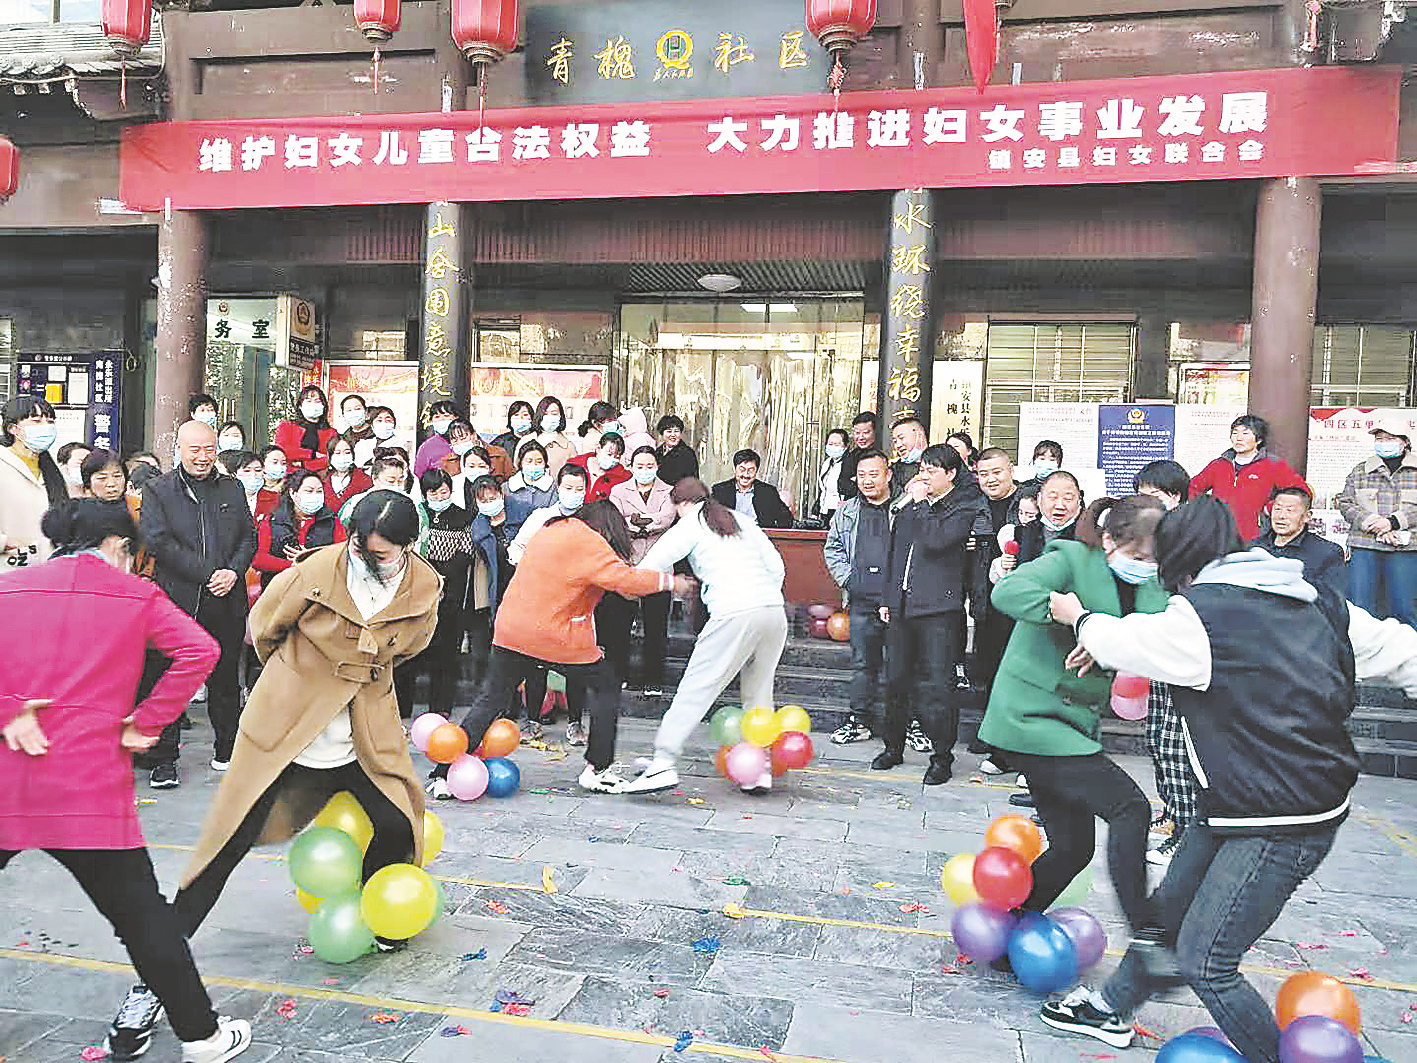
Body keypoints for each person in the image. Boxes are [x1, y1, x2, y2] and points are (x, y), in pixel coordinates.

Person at [1042, 495, 1417, 1062]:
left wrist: (1080, 618)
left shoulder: (1200, 614)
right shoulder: (1316, 598)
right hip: (1241, 800)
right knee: (1168, 912)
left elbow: (1125, 639)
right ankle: (1112, 1007)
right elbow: (1401, 650)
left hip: (1280, 820)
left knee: (1206, 960)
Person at [103, 489, 443, 1063]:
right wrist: (298, 680)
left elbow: (411, 648)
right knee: (220, 852)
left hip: (363, 732)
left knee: (398, 821)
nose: (369, 560)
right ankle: (150, 986)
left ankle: (377, 916)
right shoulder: (315, 570)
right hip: (288, 729)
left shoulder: (423, 587)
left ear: (408, 547)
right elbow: (263, 627)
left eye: (383, 554)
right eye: (362, 548)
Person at [0, 500, 253, 1063]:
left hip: (8, 778)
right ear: (118, 545)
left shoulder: (10, 587)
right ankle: (202, 1037)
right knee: (143, 921)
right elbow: (201, 650)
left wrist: (8, 710)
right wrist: (147, 722)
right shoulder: (136, 595)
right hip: (86, 786)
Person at [978, 494, 1170, 960]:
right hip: (1031, 716)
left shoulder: (1153, 584)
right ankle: (1147, 935)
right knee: (1130, 808)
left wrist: (1097, 633)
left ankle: (1006, 936)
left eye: (1152, 558)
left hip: (1074, 724)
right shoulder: (1070, 558)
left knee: (1073, 847)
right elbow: (1008, 592)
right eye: (1137, 554)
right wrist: (1063, 613)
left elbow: (1156, 634)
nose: (1144, 565)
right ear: (1109, 540)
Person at [433, 500, 678, 796]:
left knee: (491, 699)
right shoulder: (589, 540)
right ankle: (598, 768)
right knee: (605, 685)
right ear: (608, 529)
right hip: (554, 635)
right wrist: (671, 582)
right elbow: (626, 581)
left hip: (512, 629)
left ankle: (445, 773)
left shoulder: (549, 529)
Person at [623, 478, 788, 795]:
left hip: (733, 612)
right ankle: (759, 768)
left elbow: (649, 568)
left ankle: (663, 762)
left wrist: (630, 584)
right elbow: (777, 566)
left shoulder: (689, 525)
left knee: (695, 689)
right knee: (759, 694)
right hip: (772, 610)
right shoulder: (739, 519)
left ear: (682, 504)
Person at [137, 420, 258, 787]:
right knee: (169, 680)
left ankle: (227, 750)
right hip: (179, 600)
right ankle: (164, 760)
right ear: (179, 449)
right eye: (195, 449)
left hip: (227, 598)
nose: (203, 457)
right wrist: (208, 574)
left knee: (226, 680)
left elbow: (248, 537)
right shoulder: (158, 490)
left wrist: (233, 572)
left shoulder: (232, 487)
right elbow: (159, 542)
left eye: (209, 449)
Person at [872, 445, 987, 784]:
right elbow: (895, 554)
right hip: (902, 607)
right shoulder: (910, 509)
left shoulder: (962, 508)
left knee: (939, 686)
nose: (924, 476)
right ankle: (893, 747)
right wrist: (888, 598)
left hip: (939, 611)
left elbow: (936, 541)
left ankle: (941, 757)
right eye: (922, 469)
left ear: (950, 474)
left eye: (932, 470)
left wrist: (922, 503)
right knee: (895, 680)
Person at [1130, 459, 1196, 867]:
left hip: (1182, 651)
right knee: (1158, 736)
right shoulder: (1150, 535)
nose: (1145, 502)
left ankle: (1187, 835)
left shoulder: (1188, 537)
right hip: (1155, 648)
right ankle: (1173, 812)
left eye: (1153, 495)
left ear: (1174, 497)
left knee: (1175, 744)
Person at [824, 449, 894, 745]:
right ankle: (860, 721)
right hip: (862, 601)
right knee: (863, 664)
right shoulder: (847, 511)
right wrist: (848, 579)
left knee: (902, 665)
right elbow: (833, 548)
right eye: (862, 475)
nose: (867, 481)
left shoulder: (904, 508)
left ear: (888, 475)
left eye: (874, 474)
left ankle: (906, 723)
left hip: (898, 602)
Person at [396, 469, 477, 719]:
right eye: (434, 492)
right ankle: (402, 706)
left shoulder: (462, 516)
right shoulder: (416, 514)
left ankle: (441, 707)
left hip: (449, 592)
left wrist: (442, 577)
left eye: (444, 491)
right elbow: (407, 549)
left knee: (446, 653)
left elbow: (466, 552)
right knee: (410, 650)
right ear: (424, 493)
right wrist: (427, 577)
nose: (440, 496)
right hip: (417, 590)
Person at [1334, 418, 1417, 627]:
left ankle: (1407, 647)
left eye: (1390, 438)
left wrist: (1393, 522)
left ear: (1405, 442)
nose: (1384, 443)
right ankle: (1358, 648)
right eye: (1380, 439)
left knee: (1405, 607)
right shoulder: (1361, 470)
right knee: (1359, 607)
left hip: (1406, 547)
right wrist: (1373, 522)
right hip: (1365, 545)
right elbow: (1345, 502)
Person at [609, 446, 677, 695]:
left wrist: (637, 522)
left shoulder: (669, 491)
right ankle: (619, 675)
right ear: (631, 466)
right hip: (627, 563)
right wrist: (647, 522)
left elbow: (666, 518)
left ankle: (653, 679)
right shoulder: (618, 491)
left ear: (657, 466)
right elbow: (616, 521)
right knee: (619, 625)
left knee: (656, 626)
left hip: (658, 567)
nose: (645, 470)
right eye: (640, 466)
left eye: (649, 466)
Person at [1189, 414, 1308, 541]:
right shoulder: (1218, 464)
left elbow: (1301, 491)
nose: (1239, 438)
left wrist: (1272, 508)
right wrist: (1204, 511)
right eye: (1235, 433)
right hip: (1218, 535)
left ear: (1259, 439)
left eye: (1245, 433)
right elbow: (1194, 487)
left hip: (1255, 537)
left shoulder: (1273, 465)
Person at [1, 395, 67, 566]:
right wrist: (6, 542)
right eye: (36, 421)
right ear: (13, 429)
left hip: (46, 568)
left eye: (50, 421)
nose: (46, 427)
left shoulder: (51, 471)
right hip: (9, 567)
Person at [1257, 485, 1345, 599]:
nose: (1281, 516)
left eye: (1289, 510)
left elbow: (1331, 601)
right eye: (1277, 509)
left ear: (1307, 516)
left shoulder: (1327, 553)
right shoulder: (1255, 548)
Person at [509, 463, 590, 564]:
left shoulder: (592, 519)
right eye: (568, 488)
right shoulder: (541, 517)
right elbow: (517, 547)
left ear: (585, 491)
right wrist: (530, 565)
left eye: (579, 489)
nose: (573, 493)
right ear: (558, 488)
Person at [711, 449, 793, 529]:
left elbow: (786, 520)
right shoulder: (720, 491)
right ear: (734, 469)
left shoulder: (768, 492)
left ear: (756, 471)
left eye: (750, 470)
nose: (746, 475)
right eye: (742, 470)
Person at [1017, 470, 1083, 564]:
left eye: (1068, 499)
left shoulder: (1090, 535)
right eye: (1053, 497)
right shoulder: (1025, 531)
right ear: (1039, 499)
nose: (1060, 506)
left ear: (1079, 501)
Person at [273, 385, 337, 475]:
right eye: (308, 401)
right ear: (300, 406)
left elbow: (330, 459)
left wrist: (302, 464)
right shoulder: (287, 425)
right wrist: (312, 454)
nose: (313, 404)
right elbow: (282, 450)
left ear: (324, 405)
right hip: (290, 476)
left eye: (317, 401)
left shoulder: (331, 432)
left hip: (319, 478)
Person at [504, 440, 555, 540]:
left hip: (542, 539)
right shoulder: (506, 488)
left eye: (539, 462)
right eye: (529, 461)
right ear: (521, 463)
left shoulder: (553, 488)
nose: (534, 465)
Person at [567, 431, 630, 502]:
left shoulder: (623, 476)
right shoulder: (576, 464)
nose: (612, 459)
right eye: (609, 454)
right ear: (598, 449)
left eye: (617, 457)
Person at [323, 435, 373, 515]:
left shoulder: (364, 480)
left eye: (347, 452)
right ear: (330, 456)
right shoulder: (322, 480)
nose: (342, 457)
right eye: (337, 453)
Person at [413, 400, 460, 479]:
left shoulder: (466, 441)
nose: (442, 420)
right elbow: (419, 475)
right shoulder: (426, 447)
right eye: (437, 417)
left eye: (446, 416)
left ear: (456, 418)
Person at [838, 412, 879, 502]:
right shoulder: (851, 456)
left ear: (875, 432)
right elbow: (842, 485)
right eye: (857, 433)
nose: (861, 437)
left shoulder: (881, 456)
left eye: (866, 433)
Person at [535, 395, 575, 479]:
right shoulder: (526, 441)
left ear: (560, 416)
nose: (549, 417)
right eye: (545, 414)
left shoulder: (568, 446)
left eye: (554, 414)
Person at [814, 428, 848, 524]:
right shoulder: (827, 463)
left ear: (846, 446)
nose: (833, 447)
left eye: (837, 445)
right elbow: (823, 489)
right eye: (830, 444)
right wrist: (816, 510)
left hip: (839, 511)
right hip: (824, 509)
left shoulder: (847, 465)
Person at [656, 414, 699, 487]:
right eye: (669, 431)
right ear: (662, 434)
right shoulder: (658, 452)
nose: (673, 435)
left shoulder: (687, 454)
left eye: (676, 431)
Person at [889, 417, 928, 493]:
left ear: (919, 435)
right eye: (895, 441)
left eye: (901, 438)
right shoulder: (894, 470)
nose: (898, 445)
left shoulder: (936, 462)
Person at [255, 444, 288, 520]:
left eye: (283, 463)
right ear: (262, 464)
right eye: (274, 462)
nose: (279, 466)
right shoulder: (254, 488)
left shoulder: (289, 489)